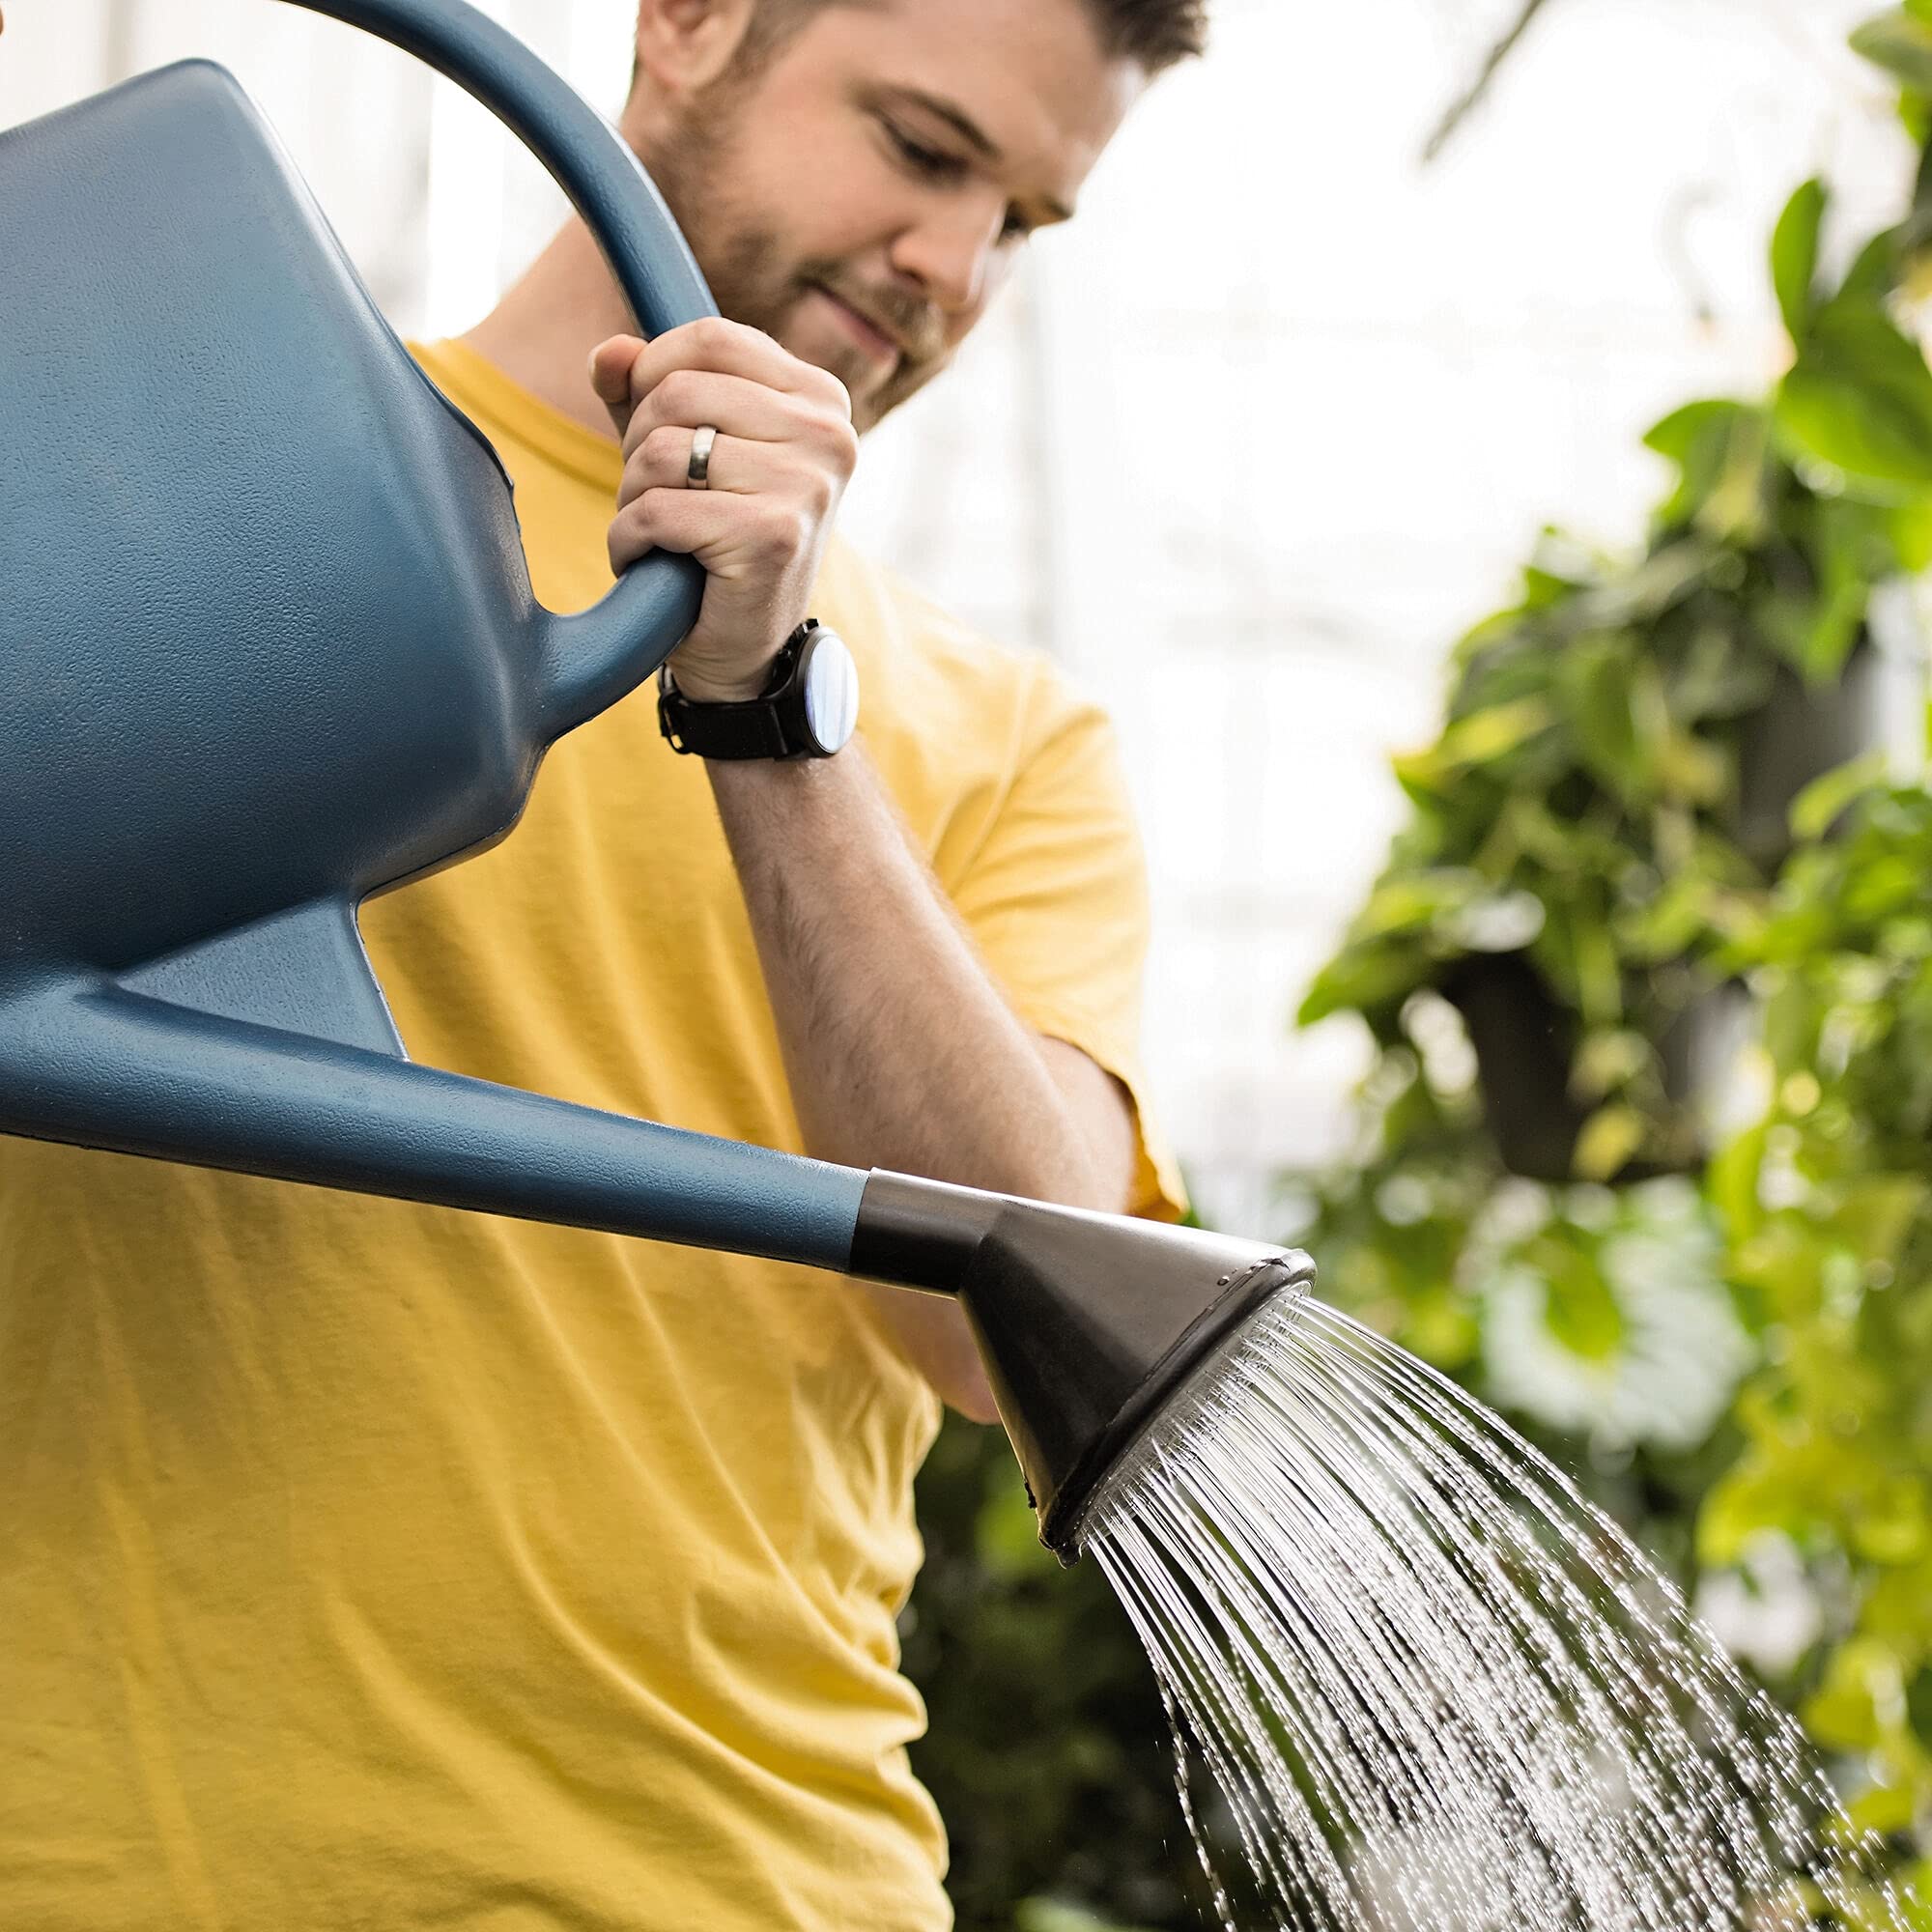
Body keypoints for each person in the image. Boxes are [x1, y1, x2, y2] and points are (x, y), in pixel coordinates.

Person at [0, 0, 1199, 1925]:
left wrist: (773, 714)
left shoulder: (998, 739)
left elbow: (1015, 1320)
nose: (954, 271)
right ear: (694, 22)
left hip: (717, 1880)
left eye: (1024, 223)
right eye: (920, 146)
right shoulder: (129, 478)